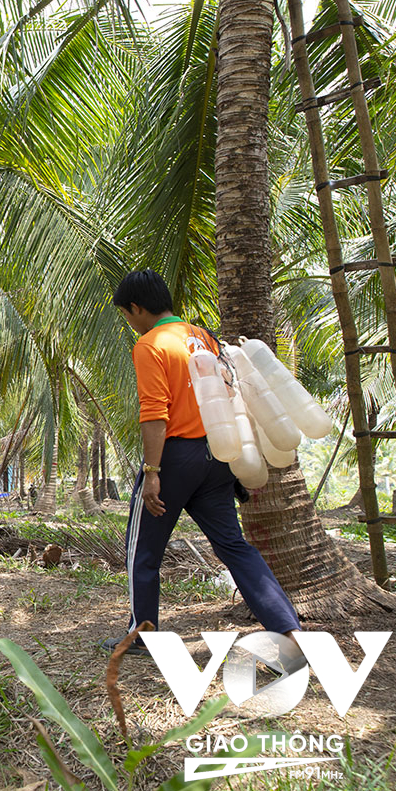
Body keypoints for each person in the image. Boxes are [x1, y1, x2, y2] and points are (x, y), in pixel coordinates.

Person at [107, 269, 300, 656]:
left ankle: (142, 634)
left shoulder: (150, 345)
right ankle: (290, 631)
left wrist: (152, 473)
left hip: (176, 458)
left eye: (127, 315)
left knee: (142, 551)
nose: (129, 323)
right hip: (218, 455)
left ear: (137, 308)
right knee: (233, 545)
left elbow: (154, 414)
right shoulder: (204, 338)